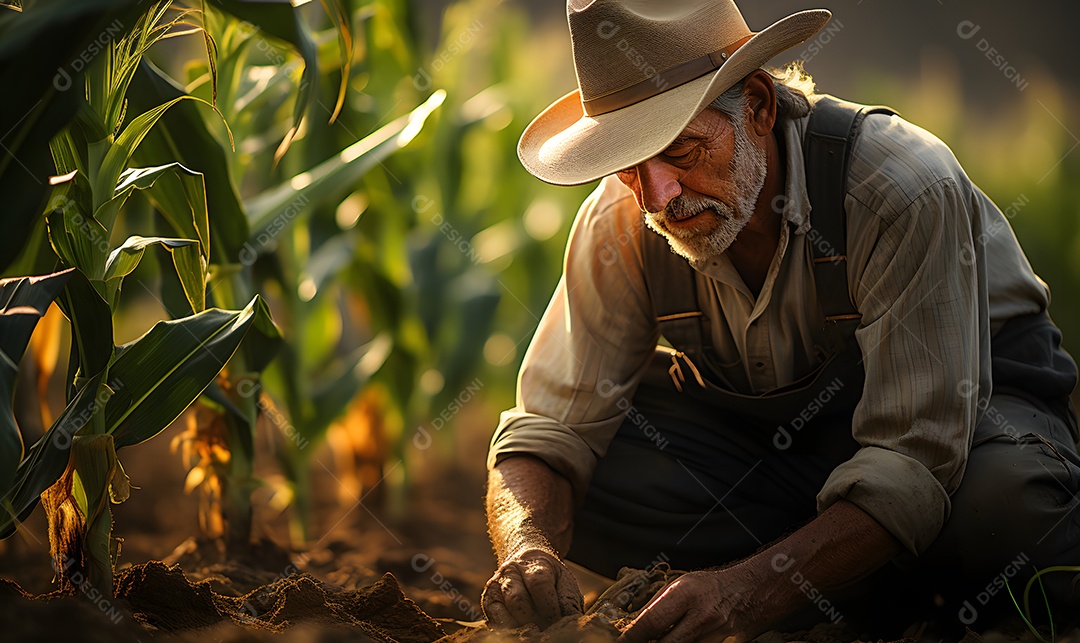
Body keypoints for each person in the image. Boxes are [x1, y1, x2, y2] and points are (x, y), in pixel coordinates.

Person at [481, 1, 1080, 640]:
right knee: (572, 477)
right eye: (629, 167)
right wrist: (526, 548)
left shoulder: (899, 188)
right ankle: (843, 575)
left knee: (1003, 510)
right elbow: (547, 427)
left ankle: (854, 585)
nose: (658, 198)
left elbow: (914, 456)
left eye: (681, 152)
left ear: (761, 107)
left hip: (966, 426)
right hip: (779, 455)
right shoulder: (620, 222)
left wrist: (744, 595)